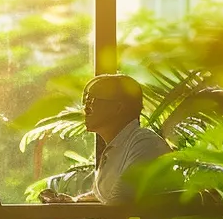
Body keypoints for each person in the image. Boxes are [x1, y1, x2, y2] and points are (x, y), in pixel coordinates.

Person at [38, 73, 171, 206]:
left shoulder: (144, 144)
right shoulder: (119, 146)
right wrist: (74, 201)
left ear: (118, 108)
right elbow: (105, 197)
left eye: (92, 101)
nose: (85, 108)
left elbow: (119, 204)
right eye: (85, 101)